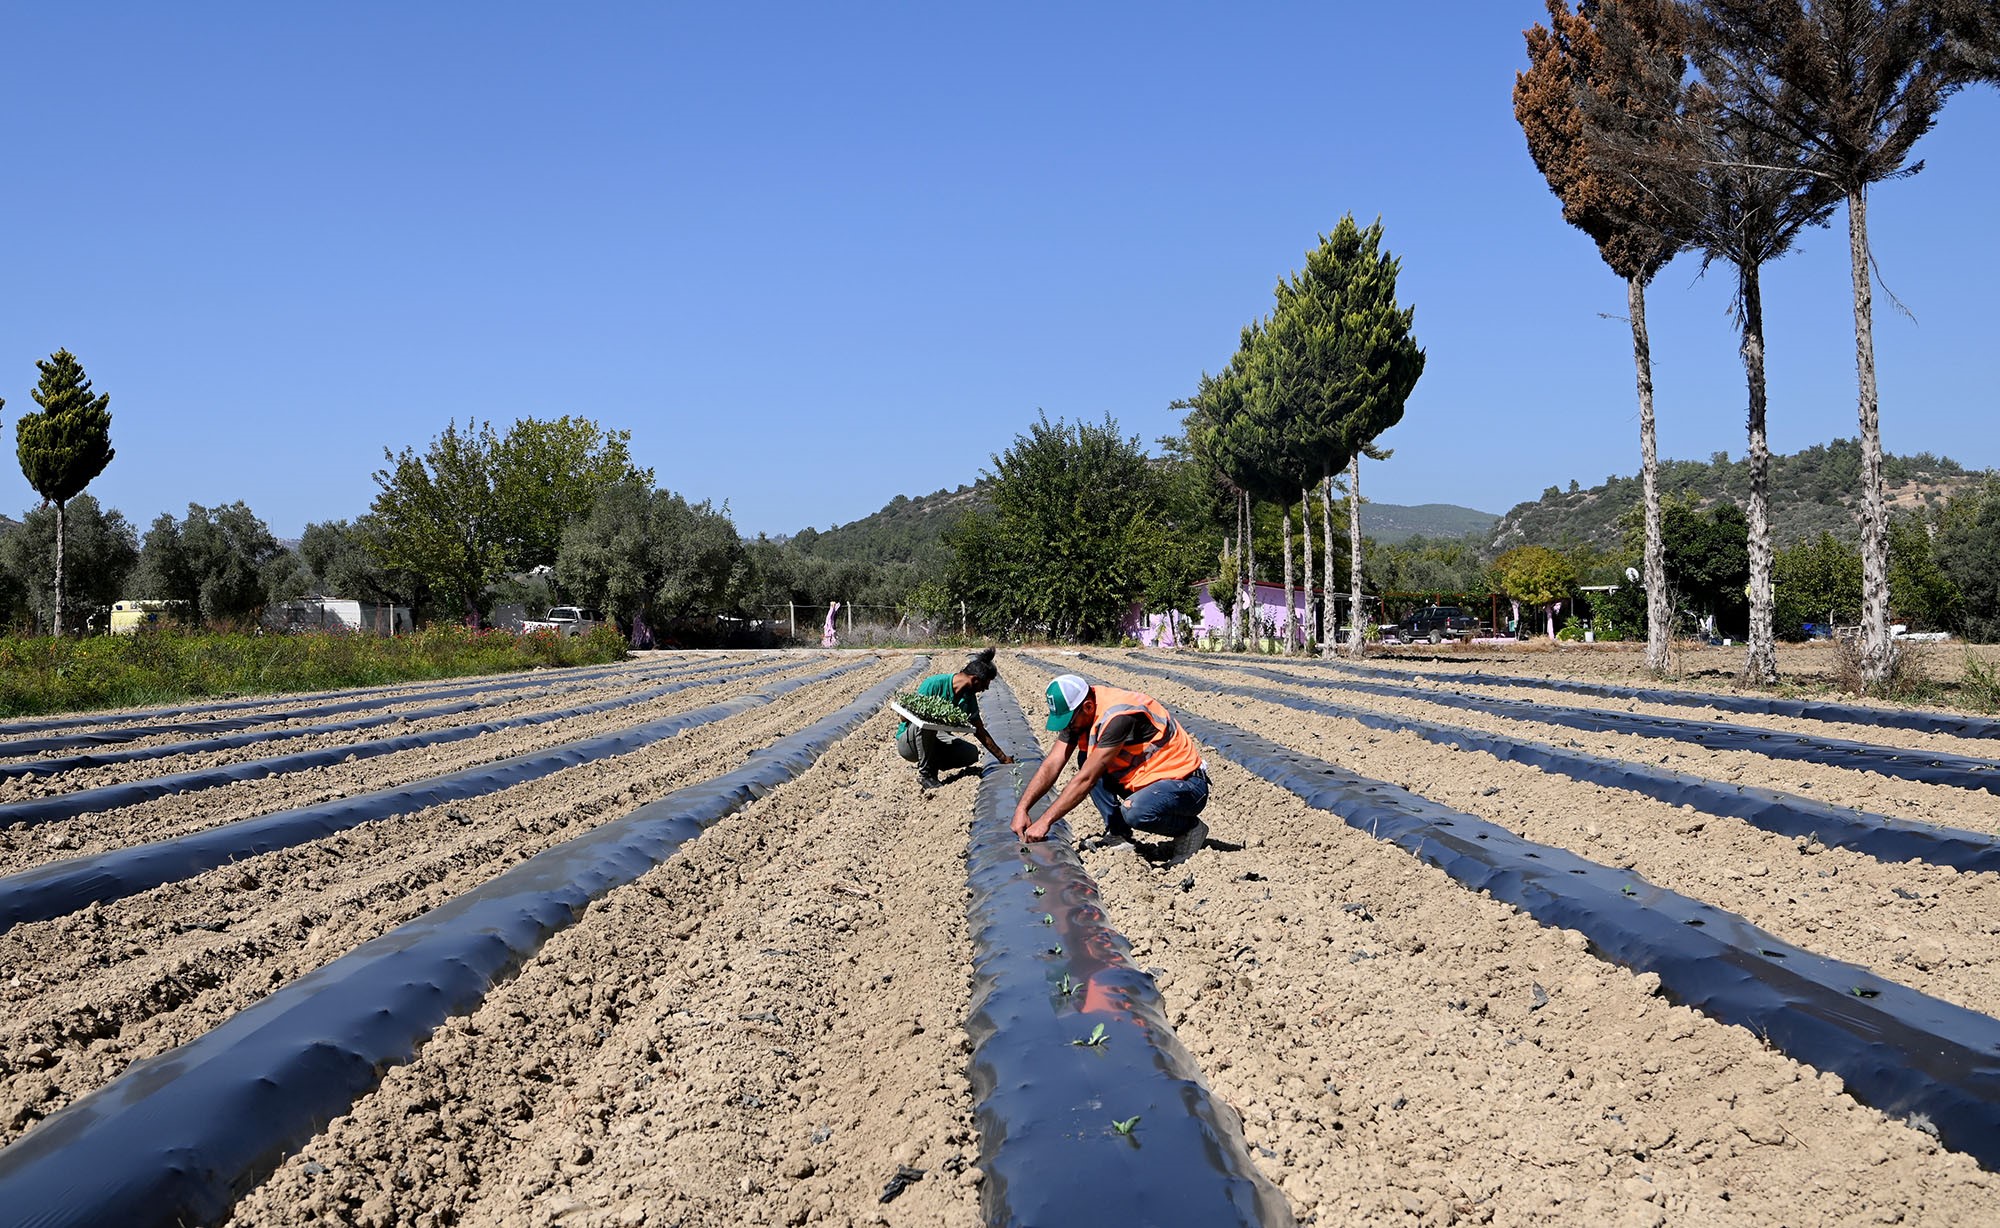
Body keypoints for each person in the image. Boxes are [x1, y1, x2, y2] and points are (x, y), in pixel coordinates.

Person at [1009, 673, 1210, 866]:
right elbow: (1052, 763)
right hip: (1148, 780)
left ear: (1087, 707)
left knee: (1135, 810)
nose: (1067, 728)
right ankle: (1119, 833)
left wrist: (1045, 821)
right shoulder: (1083, 713)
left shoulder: (1118, 716)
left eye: (1069, 722)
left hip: (1186, 785)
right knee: (1085, 758)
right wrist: (1022, 808)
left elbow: (1086, 779)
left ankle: (1190, 829)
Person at [895, 648, 1014, 787]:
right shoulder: (934, 684)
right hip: (910, 744)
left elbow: (979, 730)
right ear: (975, 680)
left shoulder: (968, 698)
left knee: (971, 753)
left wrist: (1002, 758)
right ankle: (926, 774)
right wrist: (909, 710)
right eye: (984, 684)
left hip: (935, 741)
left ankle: (931, 761)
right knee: (925, 724)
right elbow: (904, 718)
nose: (985, 689)